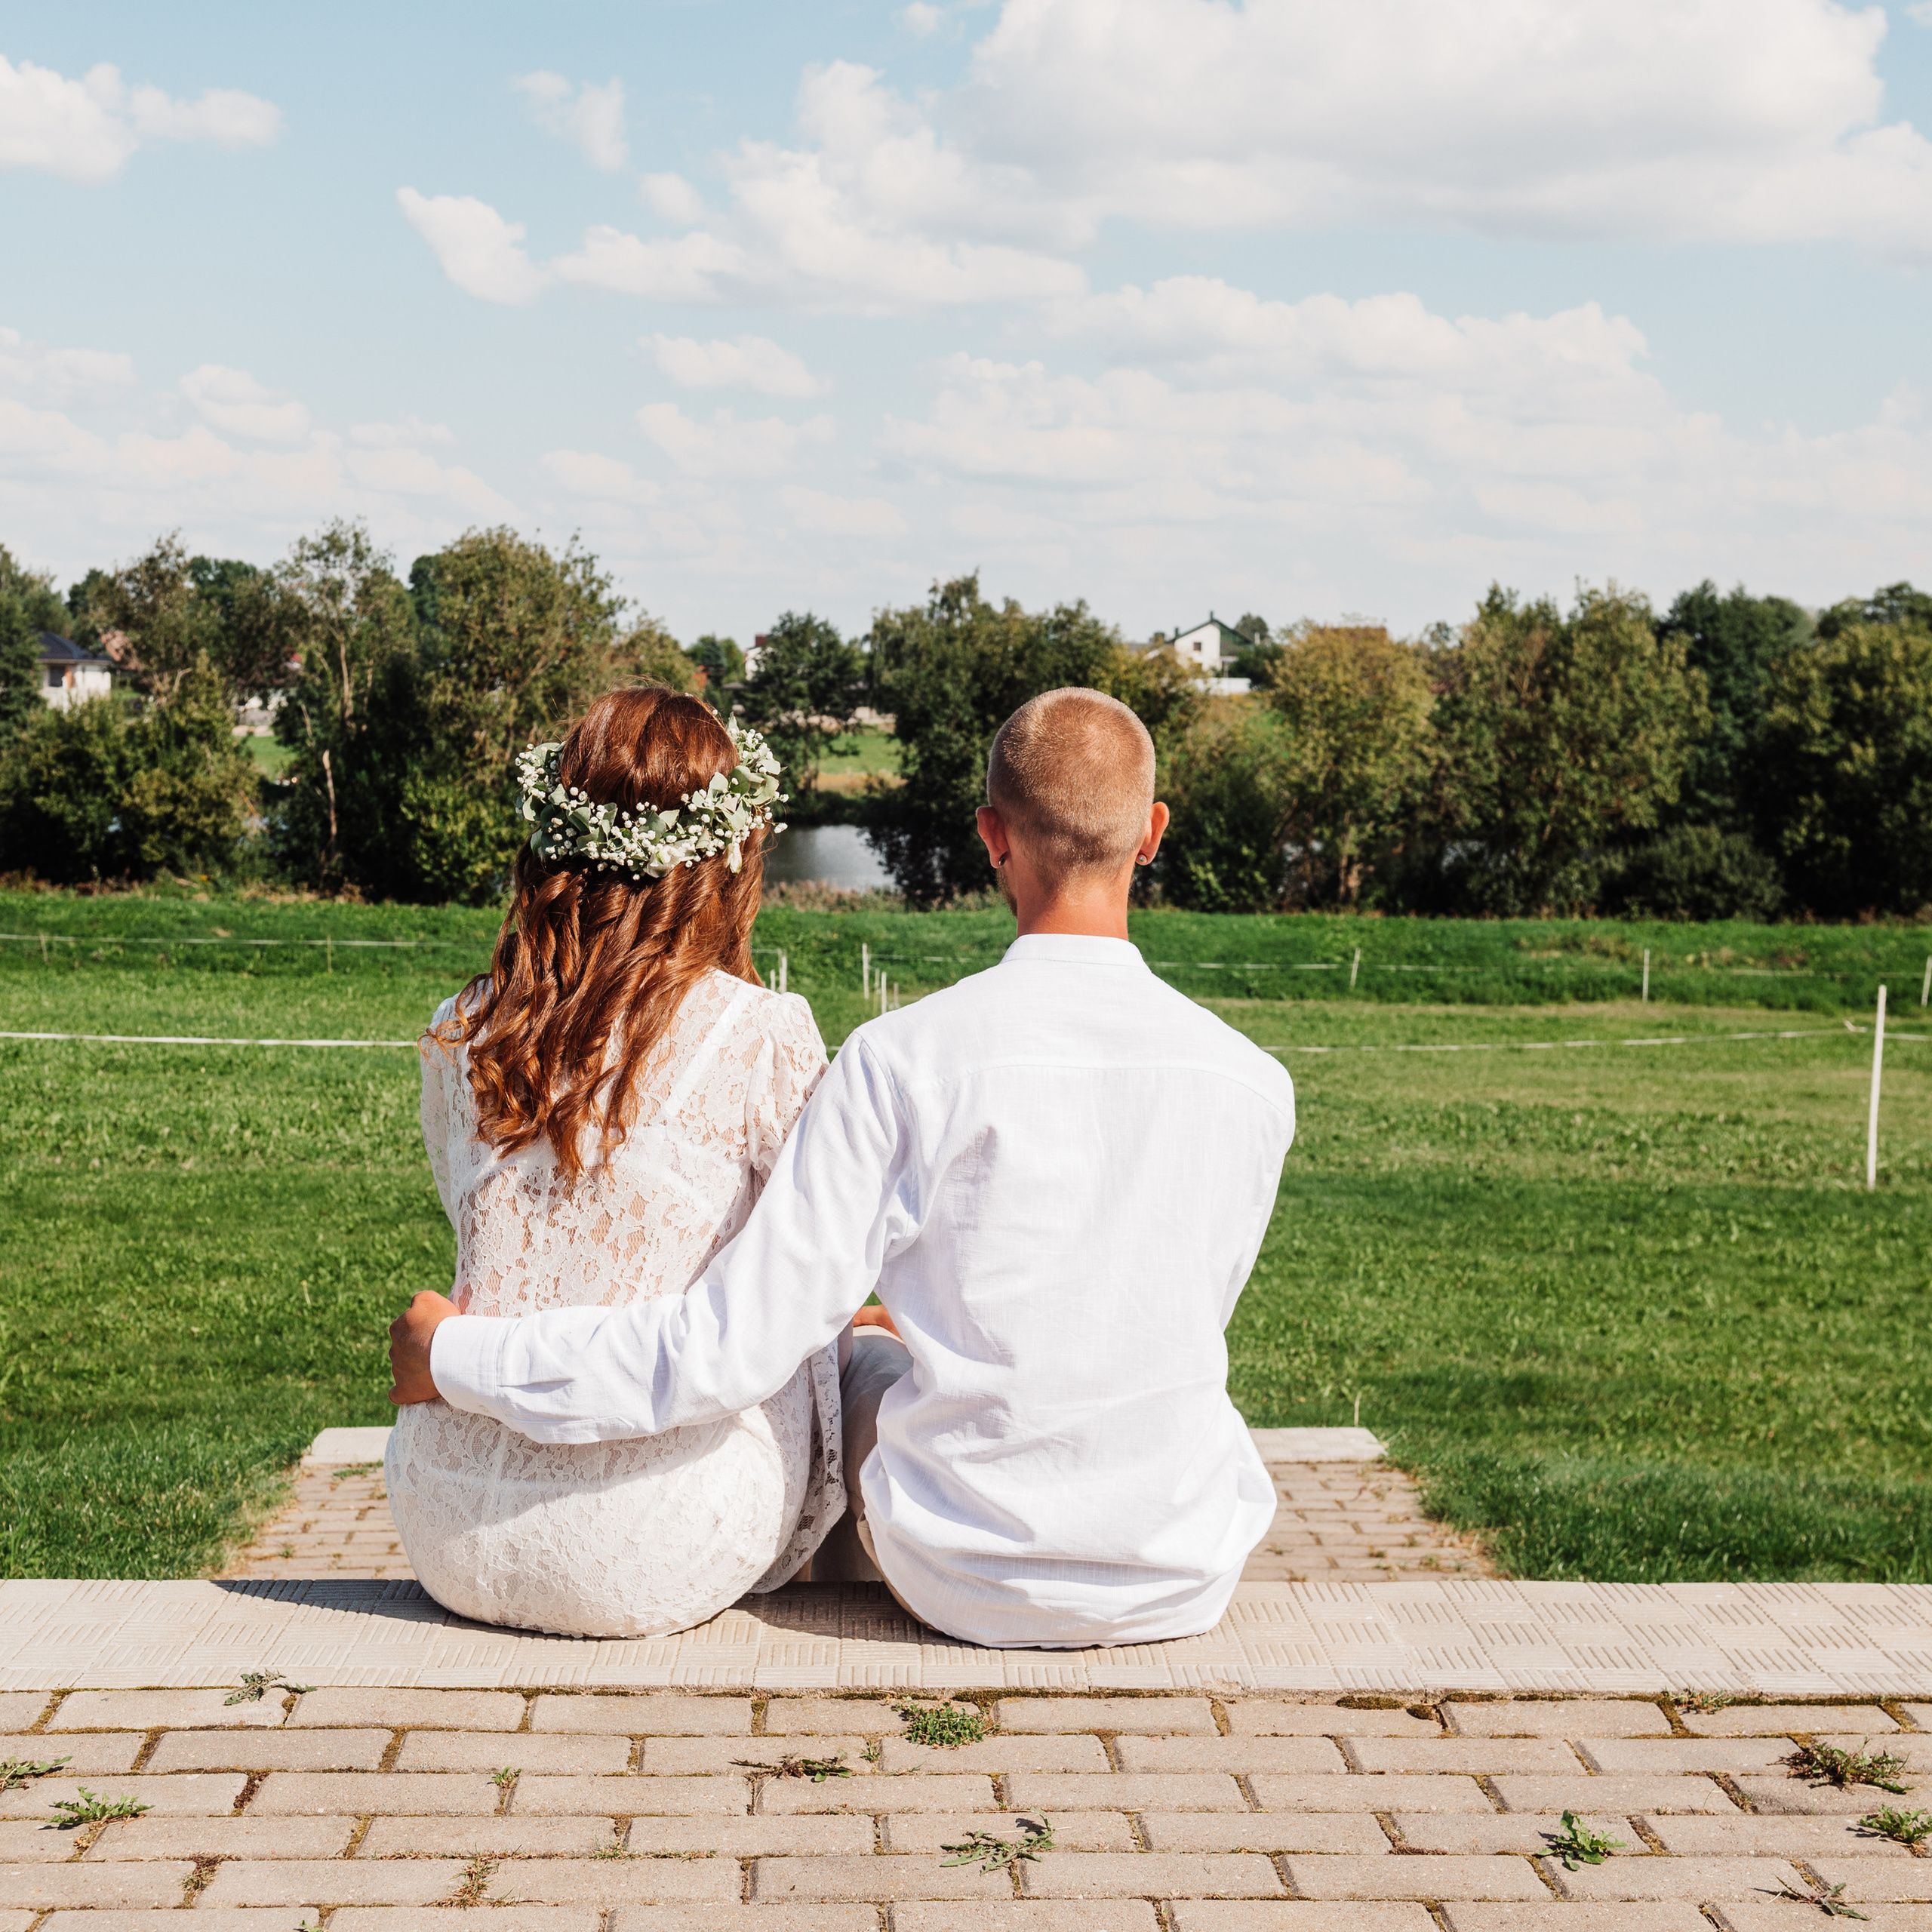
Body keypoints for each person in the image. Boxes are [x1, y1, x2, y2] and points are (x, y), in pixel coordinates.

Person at [392, 687, 1297, 1651]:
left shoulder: (903, 1058)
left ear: (992, 833)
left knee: (843, 1353)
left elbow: (733, 1343)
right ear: (1152, 833)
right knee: (854, 1352)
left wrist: (455, 1354)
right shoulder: (1254, 1083)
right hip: (1181, 1570)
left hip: (959, 1572)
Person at [383, 685, 851, 1638]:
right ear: (727, 856)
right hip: (653, 1532)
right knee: (838, 1340)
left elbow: (466, 1213)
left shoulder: (464, 1026)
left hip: (444, 1513)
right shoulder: (762, 1032)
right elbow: (804, 1284)